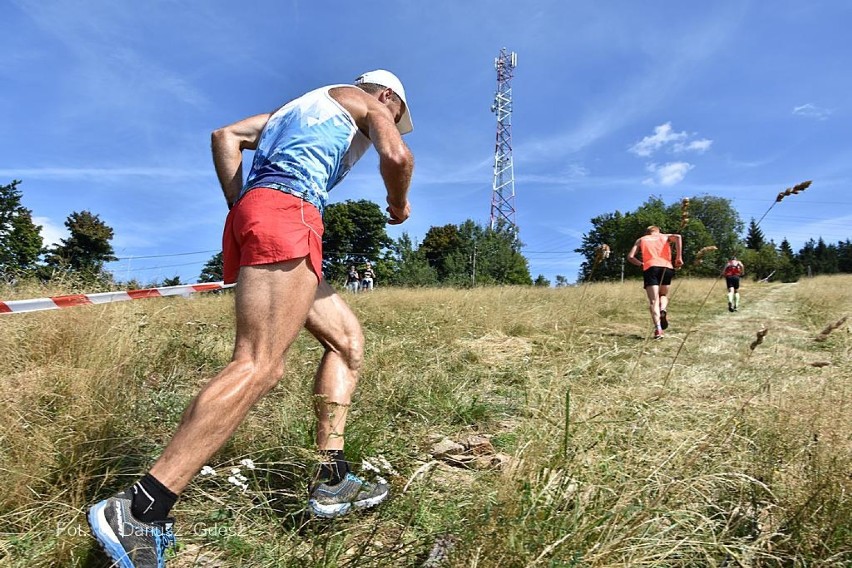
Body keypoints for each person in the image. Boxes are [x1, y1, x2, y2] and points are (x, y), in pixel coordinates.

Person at [88, 69, 414, 567]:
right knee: (260, 364)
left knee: (346, 341)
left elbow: (226, 137)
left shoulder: (292, 111)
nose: (391, 123)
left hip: (261, 211)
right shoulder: (362, 102)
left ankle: (332, 478)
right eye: (396, 114)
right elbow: (397, 156)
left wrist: (242, 204)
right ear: (388, 98)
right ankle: (140, 509)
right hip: (291, 210)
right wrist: (398, 202)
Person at [627, 226, 684, 339]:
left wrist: (641, 264)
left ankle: (658, 329)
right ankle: (663, 309)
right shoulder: (665, 237)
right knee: (663, 295)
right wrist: (679, 257)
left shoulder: (641, 239)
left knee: (653, 300)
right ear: (658, 230)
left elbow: (630, 257)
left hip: (650, 268)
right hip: (667, 267)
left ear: (647, 232)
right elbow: (678, 237)